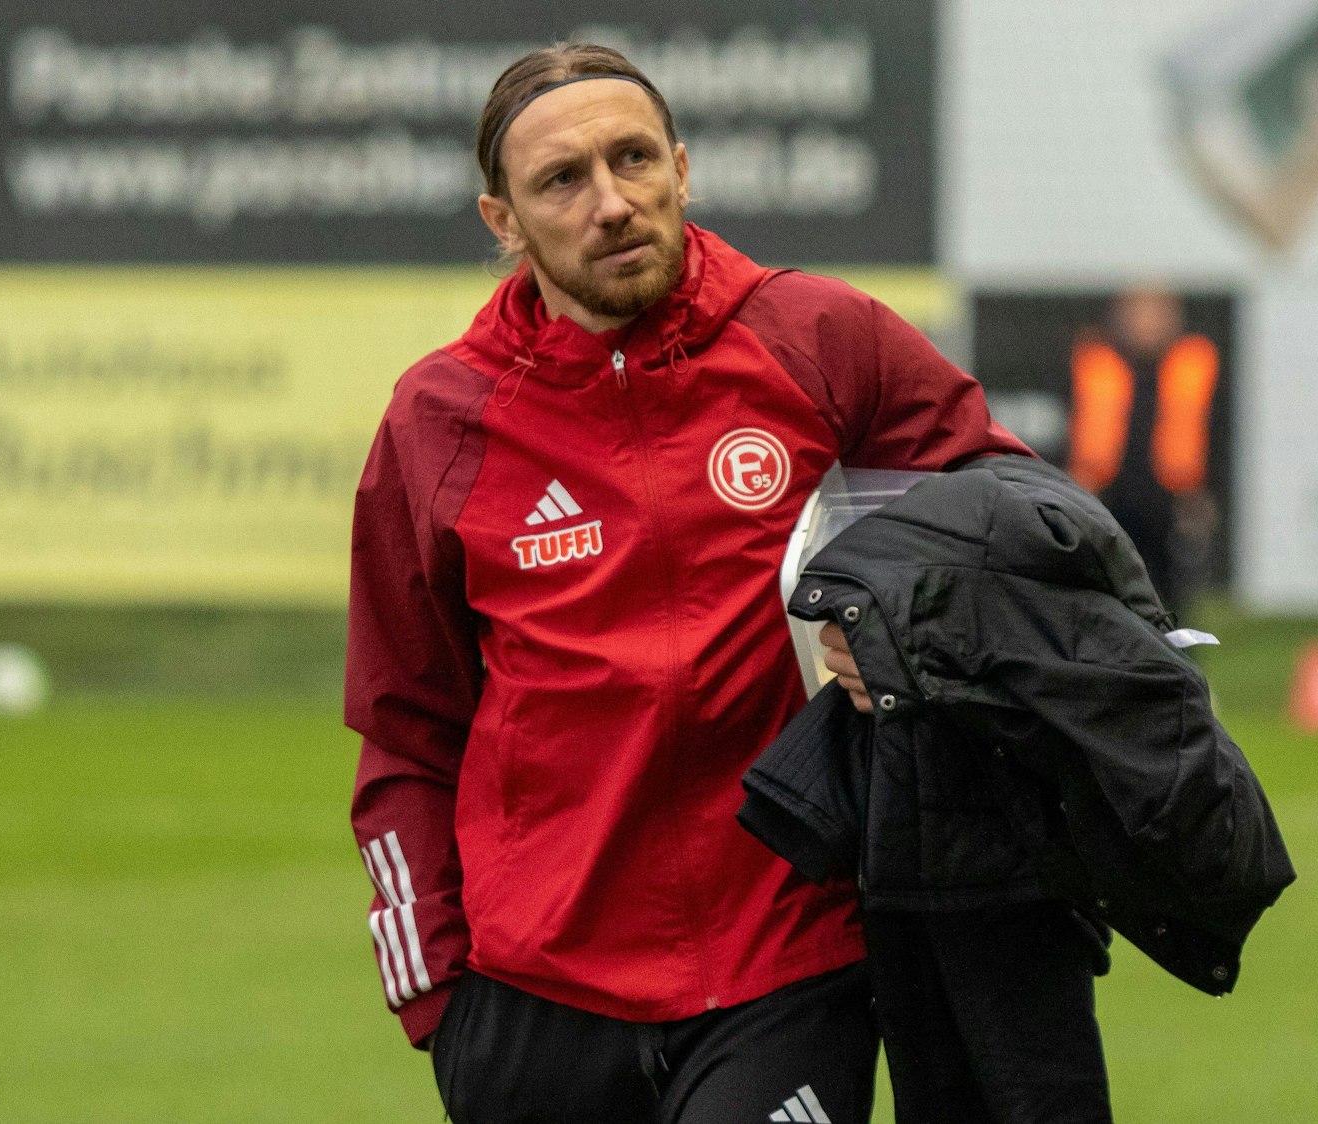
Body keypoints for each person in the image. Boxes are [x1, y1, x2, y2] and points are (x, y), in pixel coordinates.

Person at [346, 42, 1027, 1123]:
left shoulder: (816, 337)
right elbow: (404, 725)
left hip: (786, 959)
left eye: (633, 160)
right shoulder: (440, 420)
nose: (611, 203)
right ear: (504, 223)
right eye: (563, 181)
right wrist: (433, 980)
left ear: (683, 168)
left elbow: (1008, 511)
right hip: (533, 994)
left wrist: (896, 602)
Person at [1065, 288, 1220, 621]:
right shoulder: (1094, 362)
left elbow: (1217, 436)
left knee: (1174, 602)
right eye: (1137, 314)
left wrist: (1201, 499)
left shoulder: (1192, 365)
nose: (1145, 324)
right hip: (1109, 501)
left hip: (1171, 505)